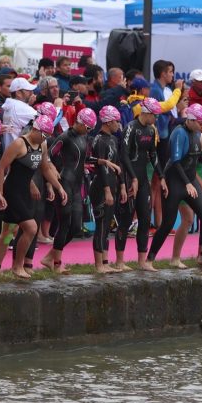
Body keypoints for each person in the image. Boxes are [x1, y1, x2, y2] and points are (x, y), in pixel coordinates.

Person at [144, 103, 202, 273]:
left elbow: (199, 156)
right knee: (167, 223)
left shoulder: (196, 133)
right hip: (175, 181)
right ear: (191, 119)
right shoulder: (178, 133)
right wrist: (187, 183)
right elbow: (175, 160)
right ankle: (150, 259)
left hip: (189, 180)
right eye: (201, 123)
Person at [0, 115, 66, 279]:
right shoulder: (19, 143)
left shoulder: (43, 144)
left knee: (8, 232)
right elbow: (1, 168)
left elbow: (45, 169)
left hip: (24, 192)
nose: (45, 138)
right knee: (31, 228)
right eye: (44, 134)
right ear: (35, 129)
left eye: (47, 136)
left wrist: (58, 187)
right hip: (12, 191)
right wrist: (0, 194)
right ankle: (17, 267)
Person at [40, 107, 96, 274]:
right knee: (64, 223)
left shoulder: (84, 136)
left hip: (77, 186)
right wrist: (52, 173)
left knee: (76, 227)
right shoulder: (64, 137)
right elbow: (48, 155)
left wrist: (103, 162)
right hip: (64, 183)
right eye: (88, 128)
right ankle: (56, 263)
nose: (89, 131)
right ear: (79, 123)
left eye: (90, 129)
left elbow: (85, 158)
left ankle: (49, 257)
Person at [121, 97, 164, 271]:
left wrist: (161, 176)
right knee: (125, 220)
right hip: (130, 177)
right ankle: (119, 260)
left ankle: (142, 261)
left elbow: (153, 154)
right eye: (155, 115)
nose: (157, 119)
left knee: (145, 219)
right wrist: (133, 178)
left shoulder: (151, 130)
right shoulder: (130, 127)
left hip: (143, 179)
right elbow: (124, 155)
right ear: (146, 112)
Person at [87, 106, 127, 273]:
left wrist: (122, 186)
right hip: (100, 186)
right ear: (109, 121)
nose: (119, 124)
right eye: (117, 121)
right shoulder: (100, 140)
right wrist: (107, 190)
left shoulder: (113, 139)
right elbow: (102, 168)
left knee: (108, 225)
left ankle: (105, 261)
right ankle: (98, 265)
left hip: (112, 184)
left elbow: (117, 165)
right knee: (101, 225)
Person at [1, 77, 38, 149]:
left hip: (11, 151)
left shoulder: (11, 105)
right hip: (19, 154)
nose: (32, 93)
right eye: (28, 90)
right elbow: (45, 122)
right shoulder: (19, 107)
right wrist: (58, 107)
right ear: (18, 93)